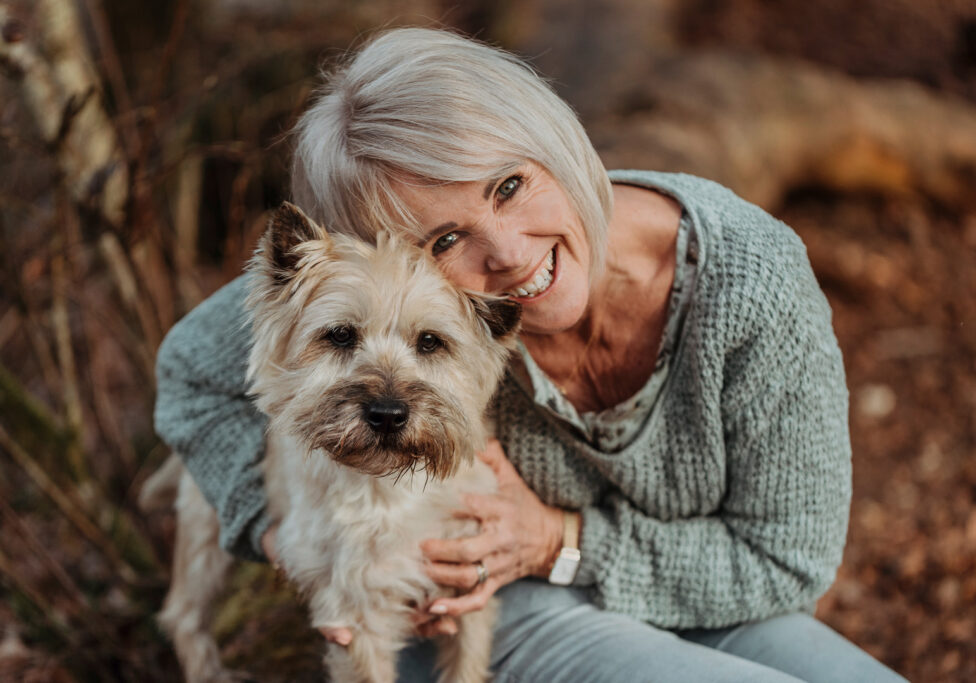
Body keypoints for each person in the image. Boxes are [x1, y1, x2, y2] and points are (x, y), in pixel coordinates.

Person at [154, 27, 906, 682]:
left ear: (556, 139)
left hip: (703, 599)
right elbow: (188, 370)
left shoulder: (754, 285)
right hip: (488, 612)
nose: (510, 253)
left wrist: (558, 540)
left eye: (510, 184)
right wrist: (275, 529)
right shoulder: (375, 290)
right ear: (383, 256)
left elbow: (788, 566)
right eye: (443, 240)